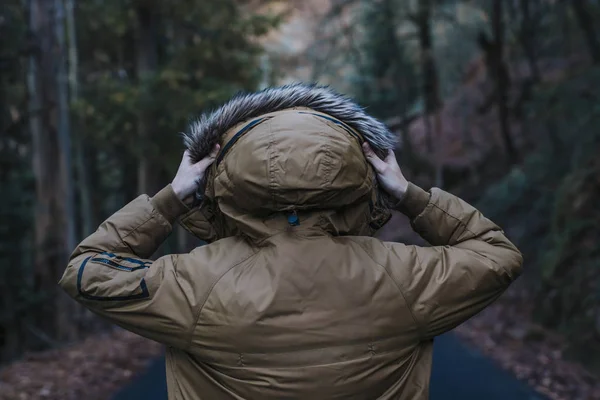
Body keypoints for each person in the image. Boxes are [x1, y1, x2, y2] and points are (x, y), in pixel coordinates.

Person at [59, 83, 523, 399]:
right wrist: (409, 195)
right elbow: (497, 254)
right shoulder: (401, 276)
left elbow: (87, 270)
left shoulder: (196, 283)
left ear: (222, 183)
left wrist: (172, 199)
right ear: (364, 181)